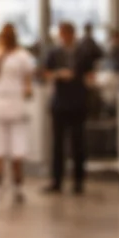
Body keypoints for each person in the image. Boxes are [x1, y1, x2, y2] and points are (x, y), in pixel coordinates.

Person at [0, 24, 37, 202]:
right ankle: (7, 183)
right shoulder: (3, 55)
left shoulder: (20, 56)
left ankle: (12, 184)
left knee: (12, 146)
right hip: (6, 101)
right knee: (6, 145)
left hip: (9, 101)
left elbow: (27, 81)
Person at [43, 21, 92, 195]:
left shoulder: (82, 53)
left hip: (78, 101)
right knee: (57, 143)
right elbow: (46, 72)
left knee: (78, 142)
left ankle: (78, 181)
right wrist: (58, 74)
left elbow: (90, 75)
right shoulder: (54, 53)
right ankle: (57, 180)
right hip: (60, 102)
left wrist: (83, 81)